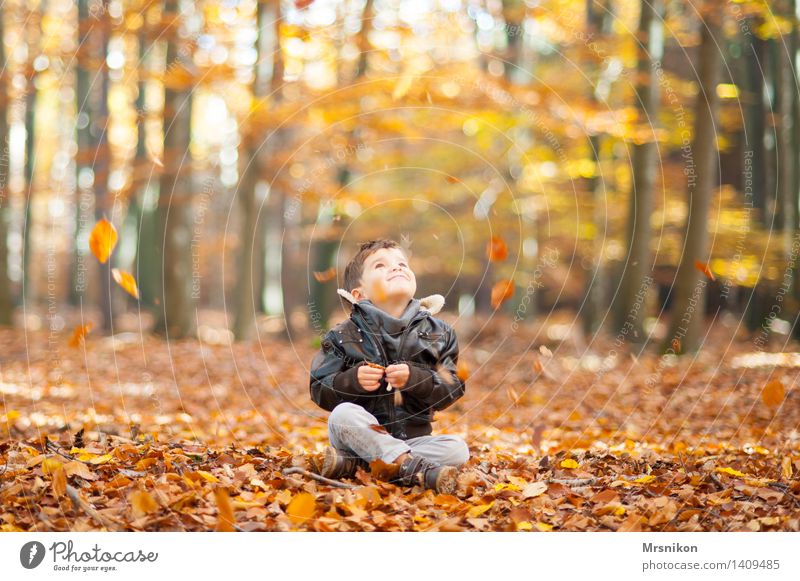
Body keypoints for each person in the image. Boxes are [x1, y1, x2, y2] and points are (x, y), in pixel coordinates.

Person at [309, 239, 469, 494]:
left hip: (412, 439)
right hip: (357, 437)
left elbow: (453, 385)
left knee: (458, 448)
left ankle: (354, 465)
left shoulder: (439, 334)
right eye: (380, 266)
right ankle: (412, 468)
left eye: (402, 263)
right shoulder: (342, 335)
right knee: (342, 415)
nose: (396, 268)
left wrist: (417, 378)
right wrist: (350, 381)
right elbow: (319, 387)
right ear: (359, 294)